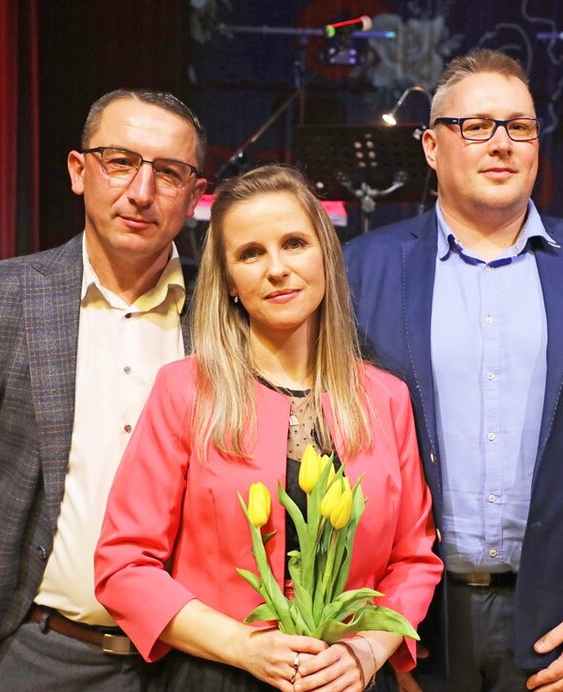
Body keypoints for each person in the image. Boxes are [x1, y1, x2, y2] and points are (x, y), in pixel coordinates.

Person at [343, 49, 563, 692]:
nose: (502, 144)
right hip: (408, 622)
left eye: (520, 127)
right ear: (431, 147)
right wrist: (366, 627)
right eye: (476, 126)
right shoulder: (363, 268)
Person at [94, 165, 443, 692]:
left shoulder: (385, 398)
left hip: (350, 679)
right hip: (219, 676)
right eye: (251, 253)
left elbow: (414, 560)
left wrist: (367, 651)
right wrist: (243, 646)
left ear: (325, 256)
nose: (277, 269)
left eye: (294, 244)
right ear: (230, 282)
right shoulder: (185, 391)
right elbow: (124, 565)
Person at [0, 88, 208, 690]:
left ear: (194, 195)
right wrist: (29, 534)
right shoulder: (4, 299)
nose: (141, 191)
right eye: (120, 162)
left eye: (168, 173)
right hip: (49, 652)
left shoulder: (227, 311)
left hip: (198, 661)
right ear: (80, 171)